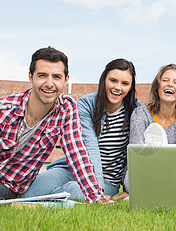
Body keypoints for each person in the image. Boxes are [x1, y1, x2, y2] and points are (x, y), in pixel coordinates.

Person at [0, 47, 107, 204]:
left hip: (6, 183)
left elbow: (77, 154)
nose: (49, 83)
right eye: (42, 76)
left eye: (56, 77)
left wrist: (95, 196)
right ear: (31, 77)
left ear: (66, 79)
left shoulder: (67, 109)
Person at [22, 59, 139, 200]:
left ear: (131, 86)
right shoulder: (86, 104)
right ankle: (52, 197)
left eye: (125, 83)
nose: (118, 87)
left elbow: (135, 151)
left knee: (76, 190)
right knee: (29, 193)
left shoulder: (135, 109)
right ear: (104, 80)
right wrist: (97, 191)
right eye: (113, 80)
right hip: (72, 170)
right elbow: (90, 146)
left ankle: (57, 196)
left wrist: (100, 188)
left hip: (107, 180)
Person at [130, 64, 176, 144]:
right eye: (165, 80)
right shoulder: (140, 114)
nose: (170, 84)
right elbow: (136, 151)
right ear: (157, 86)